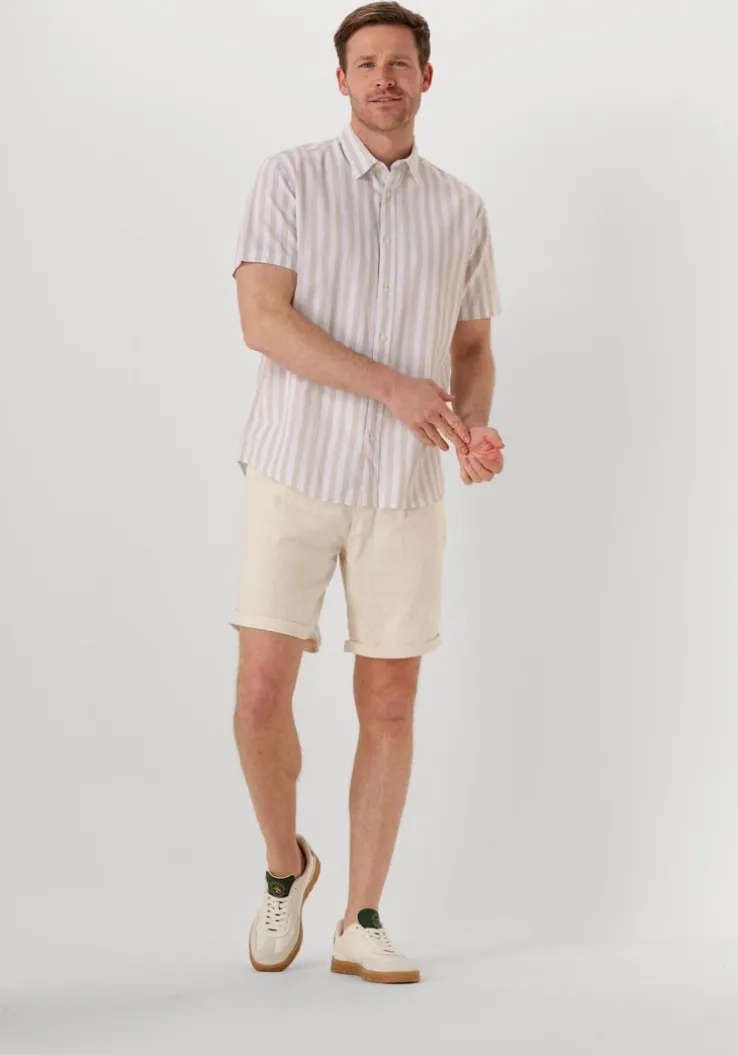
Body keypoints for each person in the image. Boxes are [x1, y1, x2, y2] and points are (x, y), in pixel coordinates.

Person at [230, 1, 505, 985]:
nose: (384, 77)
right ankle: (286, 865)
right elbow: (263, 320)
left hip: (404, 488)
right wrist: (392, 386)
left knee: (390, 699)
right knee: (260, 690)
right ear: (341, 79)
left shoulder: (462, 207)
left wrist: (471, 426)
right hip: (294, 467)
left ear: (426, 78)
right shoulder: (290, 177)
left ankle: (362, 917)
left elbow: (471, 348)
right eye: (366, 62)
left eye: (400, 62)